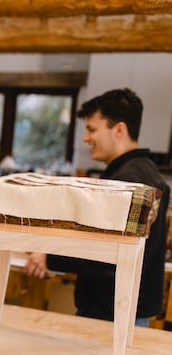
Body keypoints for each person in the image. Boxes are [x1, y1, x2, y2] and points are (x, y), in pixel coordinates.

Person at [24, 88, 170, 324]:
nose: (85, 137)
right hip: (122, 309)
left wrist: (49, 258)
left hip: (111, 313)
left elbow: (107, 254)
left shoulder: (127, 181)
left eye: (92, 129)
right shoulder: (144, 171)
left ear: (119, 130)